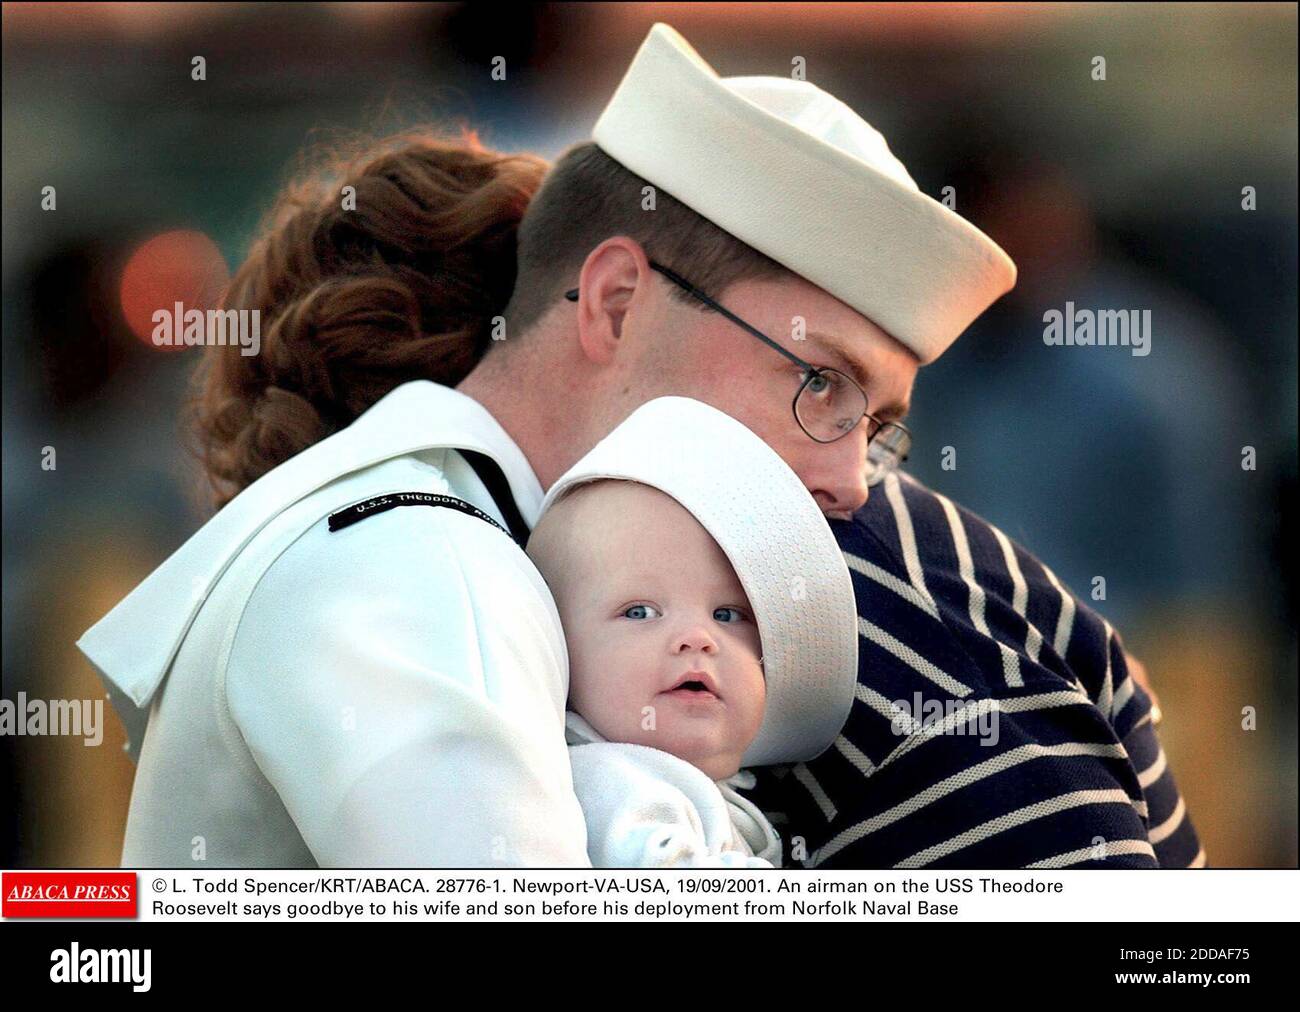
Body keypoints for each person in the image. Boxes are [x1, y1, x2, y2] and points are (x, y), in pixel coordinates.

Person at [77, 22, 1199, 867]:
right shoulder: (419, 563)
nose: (853, 483)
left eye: (882, 425)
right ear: (613, 301)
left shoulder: (492, 553)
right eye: (821, 382)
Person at [526, 396, 859, 867]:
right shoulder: (614, 784)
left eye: (727, 614)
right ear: (556, 650)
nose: (697, 638)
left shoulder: (698, 788)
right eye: (639, 612)